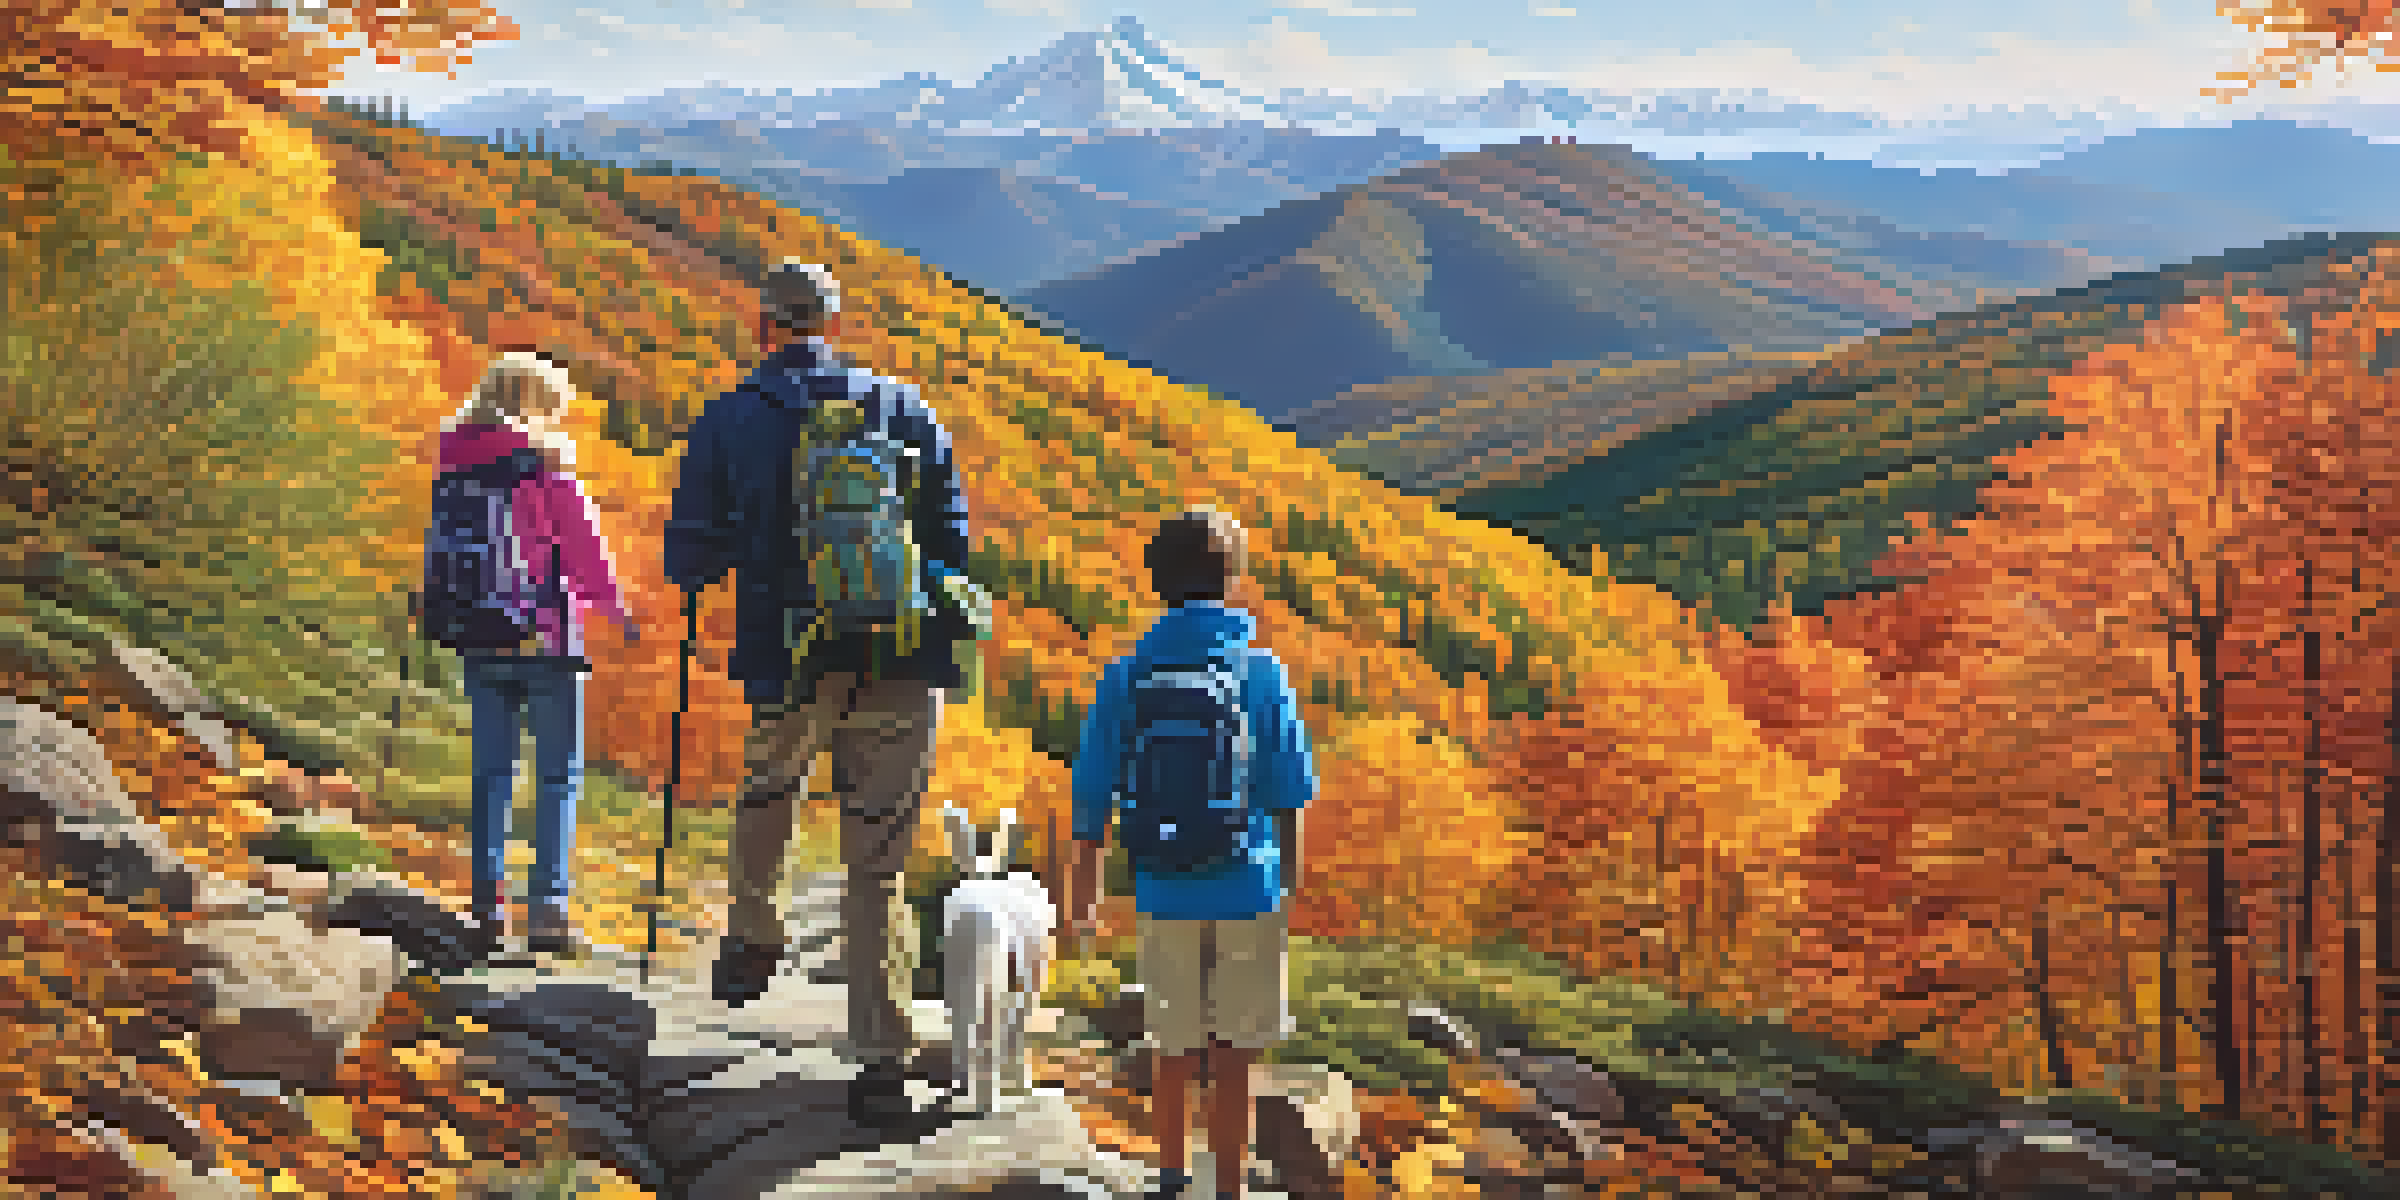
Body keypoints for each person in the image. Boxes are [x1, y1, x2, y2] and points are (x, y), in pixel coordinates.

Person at [664, 259, 984, 1125]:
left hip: (786, 656)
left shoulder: (730, 419)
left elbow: (685, 562)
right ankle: (881, 1060)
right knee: (876, 859)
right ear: (835, 323)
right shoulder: (903, 409)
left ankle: (752, 933)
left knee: (770, 787)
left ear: (763, 325)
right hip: (903, 657)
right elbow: (954, 540)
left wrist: (743, 546)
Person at [1069, 508, 1318, 1200]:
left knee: (1172, 1047)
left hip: (1163, 885)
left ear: (1157, 583)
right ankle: (1229, 1188)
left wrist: (1081, 898)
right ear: (1234, 582)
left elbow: (1091, 790)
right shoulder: (1260, 670)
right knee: (1235, 1054)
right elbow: (1288, 787)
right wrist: (1289, 882)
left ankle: (1172, 1177)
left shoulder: (1126, 676)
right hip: (1249, 886)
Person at [428, 351, 638, 960]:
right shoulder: (544, 469)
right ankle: (548, 909)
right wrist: (614, 610)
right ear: (535, 406)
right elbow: (583, 550)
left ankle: (487, 908)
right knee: (557, 776)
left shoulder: (453, 466)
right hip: (545, 636)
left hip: (477, 634)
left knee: (491, 773)